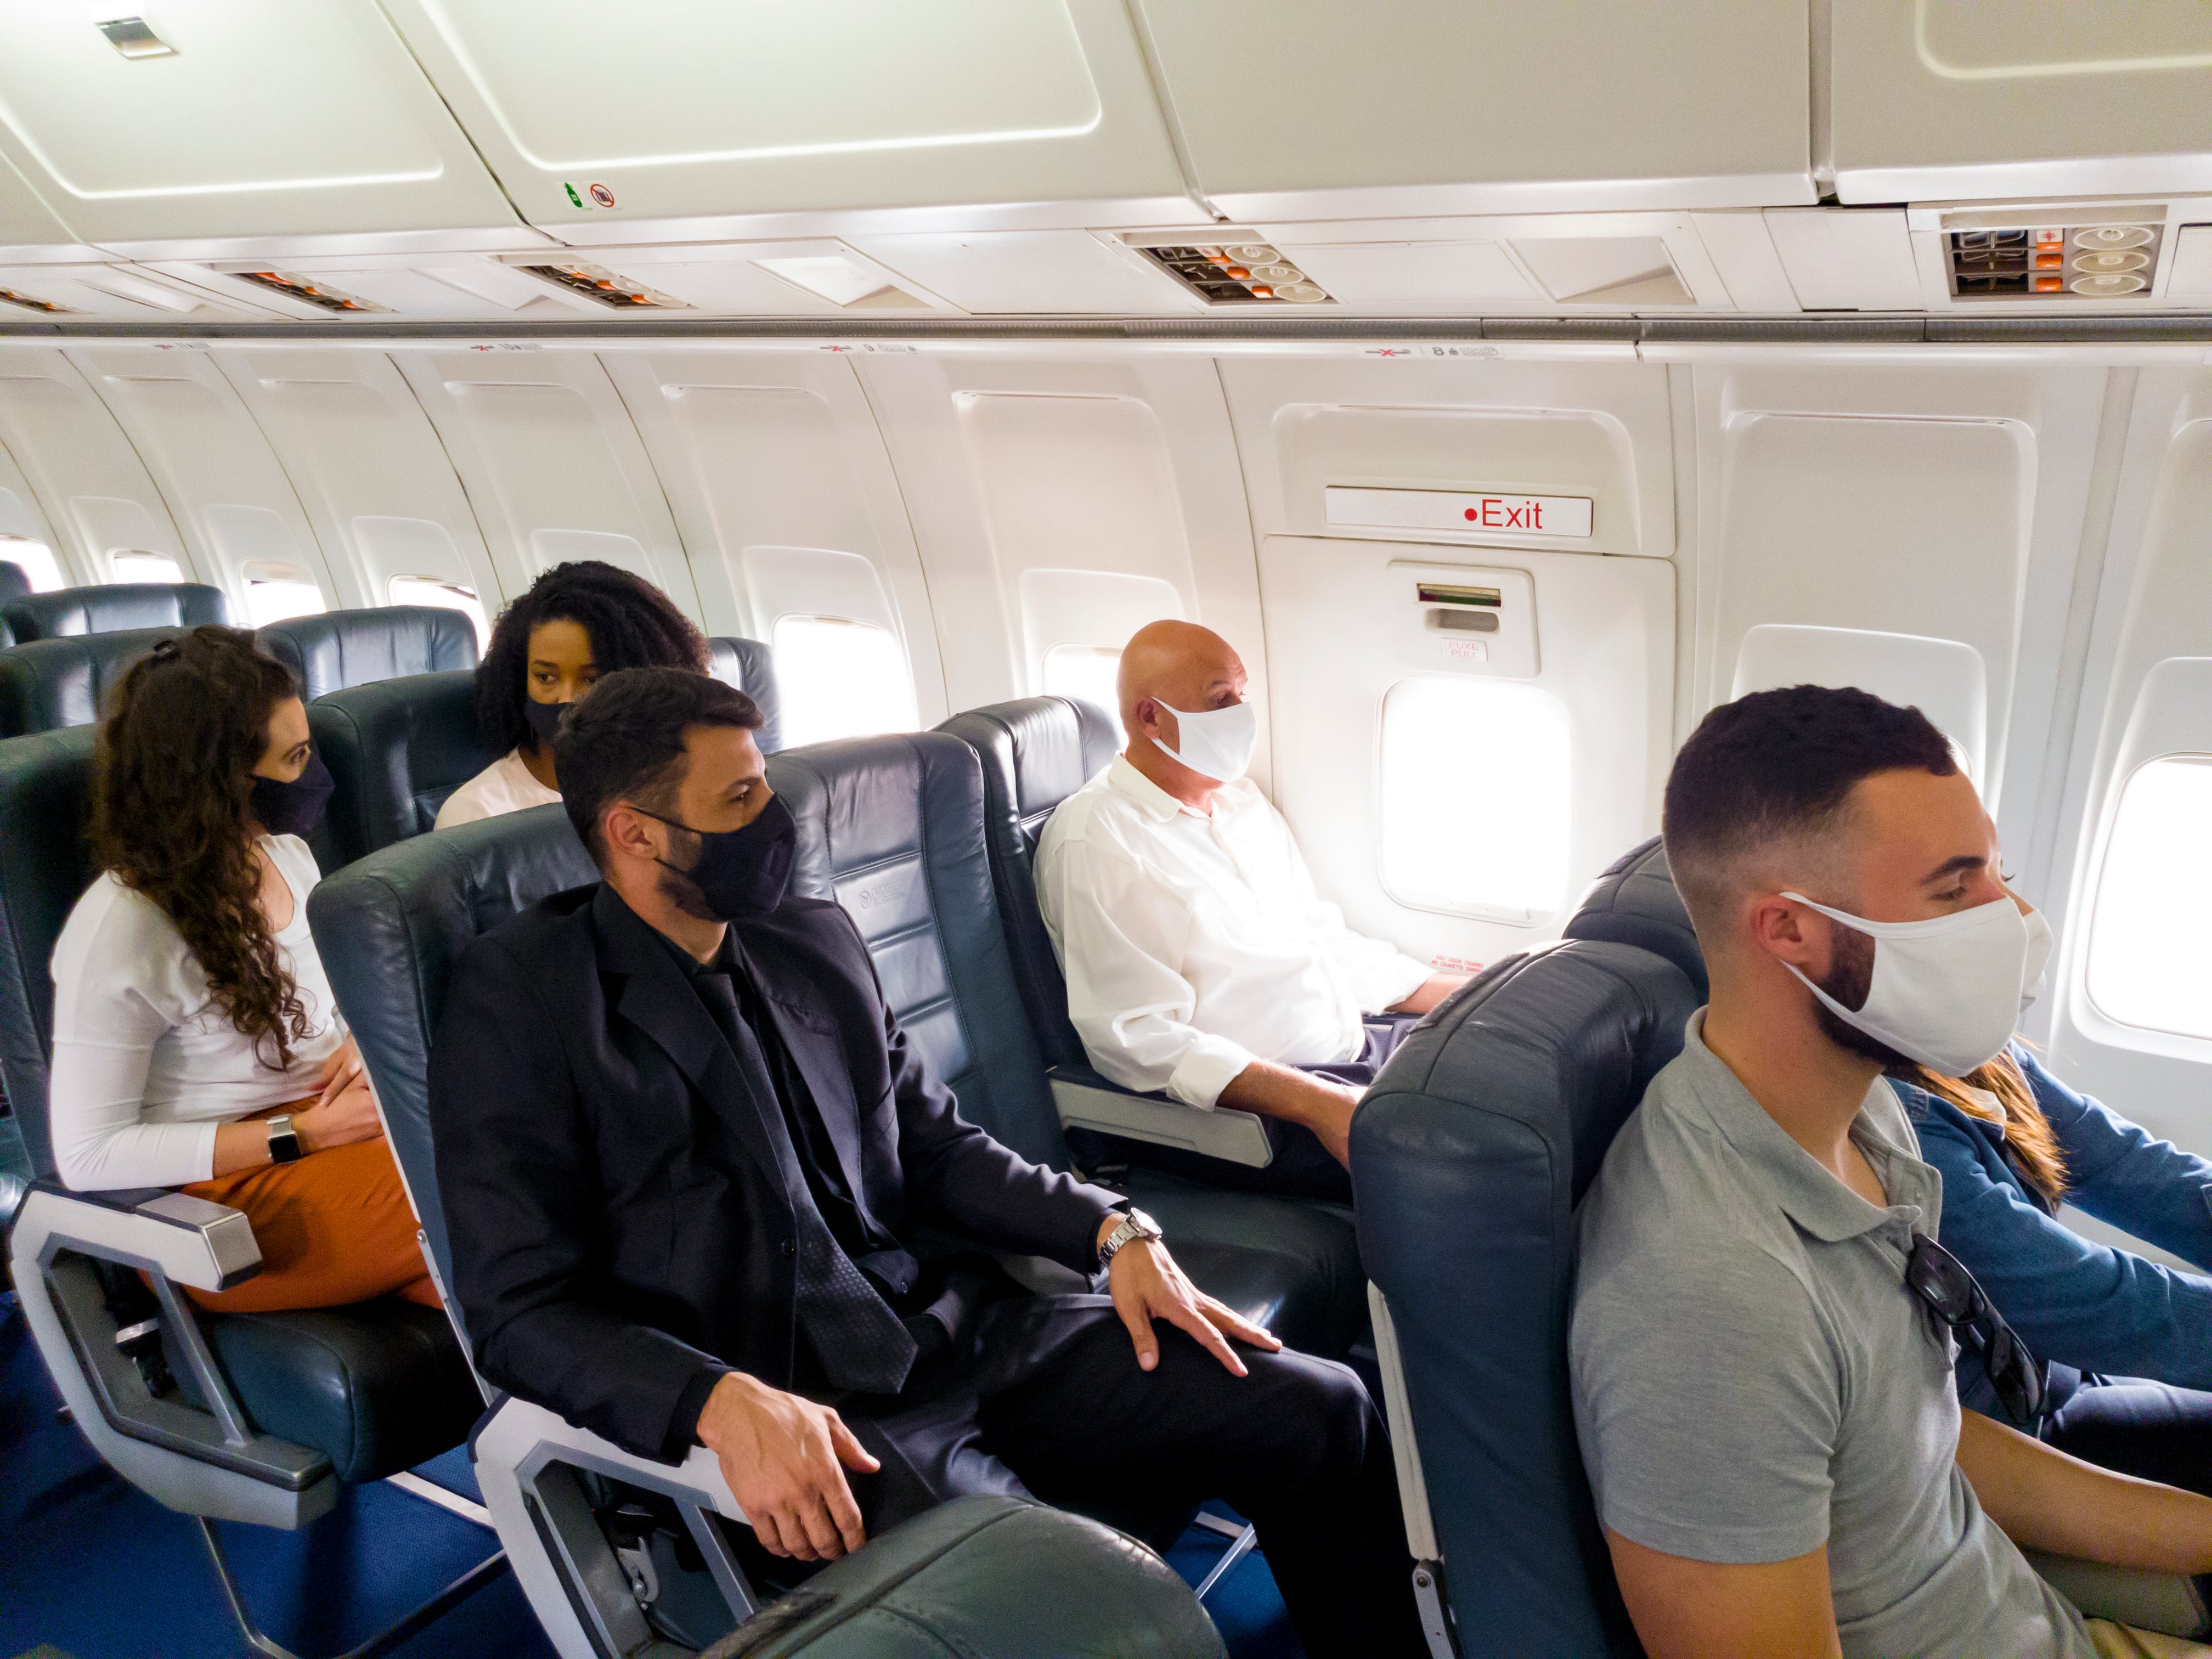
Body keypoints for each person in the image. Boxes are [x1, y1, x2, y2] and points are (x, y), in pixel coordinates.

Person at [428, 667, 1425, 1658]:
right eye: (738, 800)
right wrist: (714, 1399)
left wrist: (1113, 1228)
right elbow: (520, 1309)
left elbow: (935, 1144)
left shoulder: (808, 937)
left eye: (764, 781)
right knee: (1067, 1609)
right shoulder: (523, 1005)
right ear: (633, 832)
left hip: (960, 1331)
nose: (773, 817)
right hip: (809, 1406)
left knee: (1319, 1406)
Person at [1571, 682, 2212, 1659]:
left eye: (1996, 870)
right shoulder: (1707, 1296)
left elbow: (1923, 1439)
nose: (2012, 916)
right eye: (1955, 889)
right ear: (1788, 929)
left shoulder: (1864, 1114)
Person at [48, 627, 434, 1313]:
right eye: (294, 758)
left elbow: (326, 1007)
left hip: (334, 1132)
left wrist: (356, 1048)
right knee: (492, 1200)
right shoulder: (124, 926)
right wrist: (303, 1134)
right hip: (221, 1199)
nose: (314, 776)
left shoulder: (287, 856)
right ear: (219, 781)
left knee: (520, 1207)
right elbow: (87, 1157)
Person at [1034, 620, 1465, 1200]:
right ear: (1150, 717)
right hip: (1264, 1114)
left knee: (1515, 1073)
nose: (1242, 712)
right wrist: (1322, 1104)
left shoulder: (1240, 803)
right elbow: (1137, 1039)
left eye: (1242, 693)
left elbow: (1320, 941)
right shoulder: (1099, 841)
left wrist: (1467, 991)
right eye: (1220, 701)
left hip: (1355, 1047)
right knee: (1473, 1164)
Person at [1890, 1038, 2212, 1496]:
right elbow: (2089, 1299)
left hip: (2068, 1379)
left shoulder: (1983, 1056)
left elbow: (2132, 1163)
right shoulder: (1902, 1123)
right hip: (2026, 1433)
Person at [435, 558, 708, 828]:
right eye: (546, 677)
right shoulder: (477, 814)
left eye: (592, 679)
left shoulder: (669, 787)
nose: (566, 699)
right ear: (517, 680)